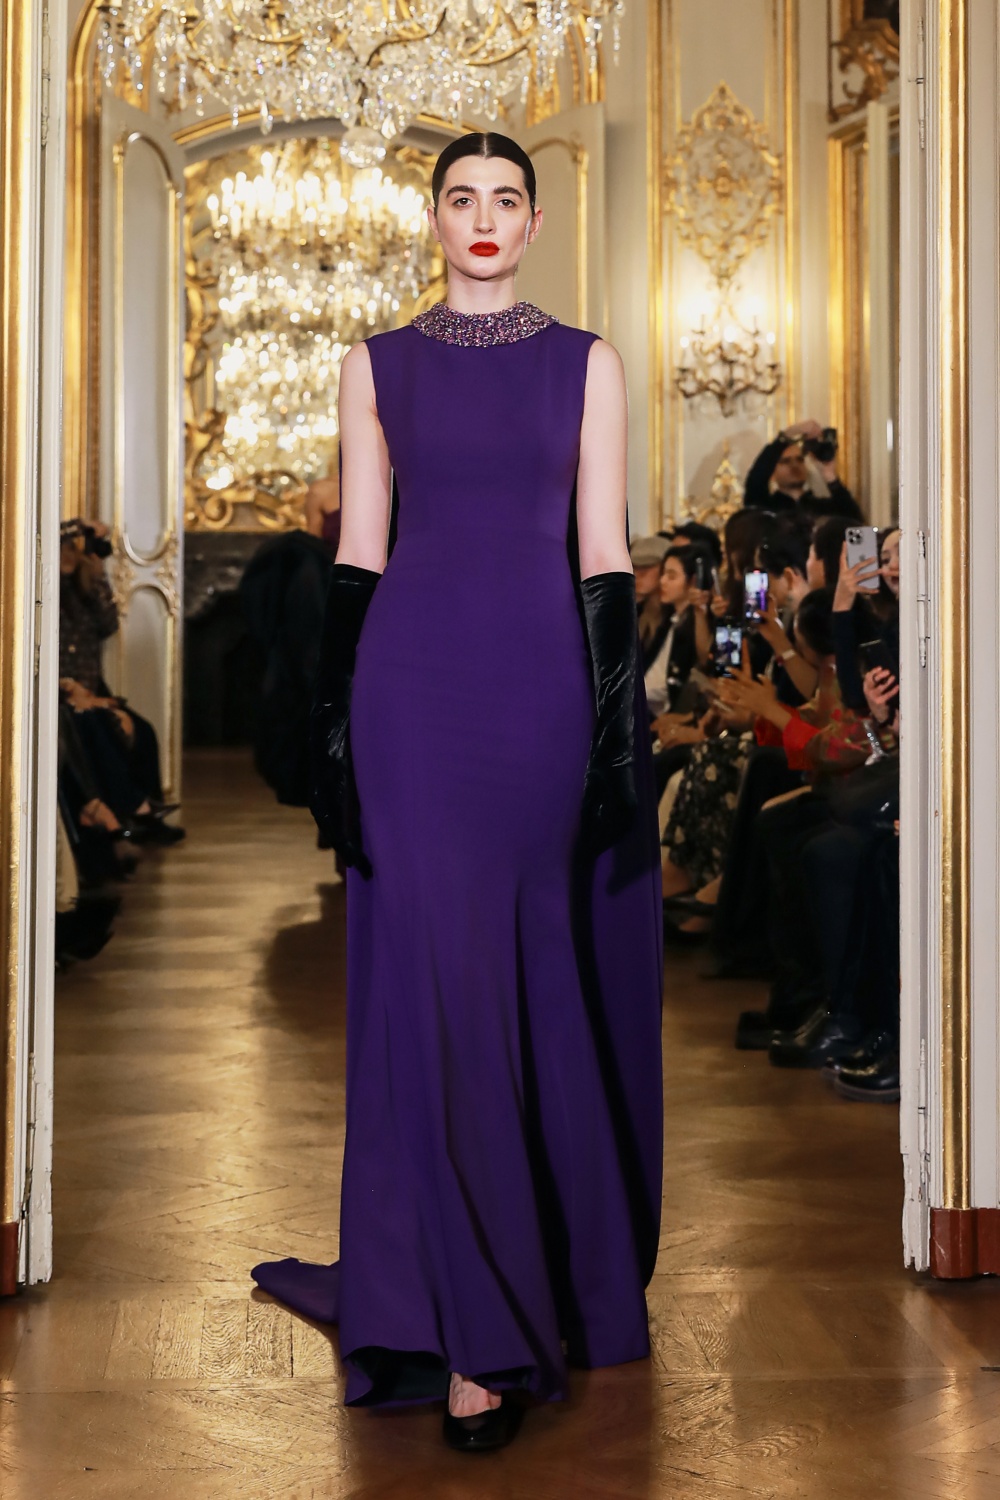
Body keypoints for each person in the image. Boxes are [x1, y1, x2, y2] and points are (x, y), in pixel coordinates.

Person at [251, 131, 664, 1454]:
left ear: (533, 224)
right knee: (436, 984)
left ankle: (520, 1283)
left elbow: (603, 556)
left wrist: (613, 739)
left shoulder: (588, 363)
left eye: (506, 200)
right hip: (410, 699)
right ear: (431, 220)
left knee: (514, 972)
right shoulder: (374, 364)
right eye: (461, 199)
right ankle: (471, 1330)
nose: (483, 218)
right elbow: (360, 555)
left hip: (539, 696)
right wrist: (333, 727)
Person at [743, 420, 862, 522]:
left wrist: (830, 476)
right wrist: (787, 435)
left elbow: (855, 522)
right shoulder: (766, 508)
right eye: (786, 461)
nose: (794, 465)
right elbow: (756, 481)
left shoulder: (823, 508)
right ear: (772, 472)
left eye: (800, 460)